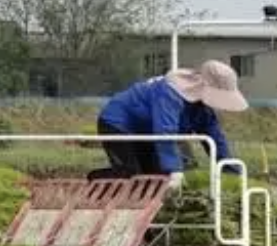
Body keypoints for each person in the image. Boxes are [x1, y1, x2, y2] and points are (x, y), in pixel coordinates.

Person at [95, 59, 249, 187]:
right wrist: (175, 170)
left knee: (155, 177)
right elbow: (165, 132)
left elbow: (216, 137)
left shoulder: (203, 108)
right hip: (118, 123)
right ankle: (97, 182)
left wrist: (231, 172)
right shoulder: (170, 93)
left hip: (148, 129)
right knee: (131, 176)